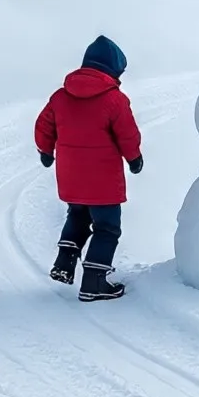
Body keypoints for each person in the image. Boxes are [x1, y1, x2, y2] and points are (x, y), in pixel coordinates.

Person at [34, 35, 143, 302]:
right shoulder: (114, 99)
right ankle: (94, 282)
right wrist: (134, 158)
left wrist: (46, 151)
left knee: (78, 216)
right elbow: (127, 134)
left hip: (71, 177)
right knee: (107, 228)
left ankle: (64, 263)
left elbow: (43, 125)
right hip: (103, 180)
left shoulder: (60, 96)